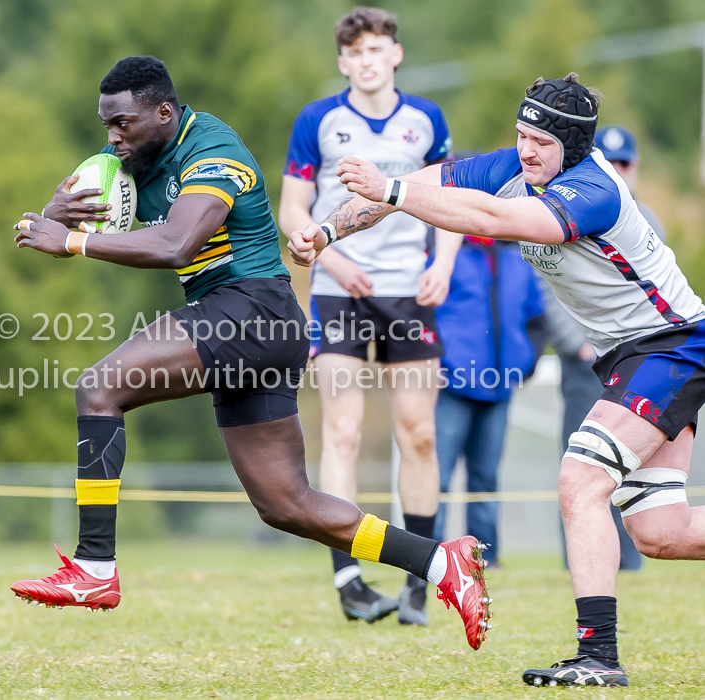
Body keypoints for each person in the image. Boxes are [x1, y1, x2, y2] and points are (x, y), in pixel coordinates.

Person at [8, 55, 491, 651]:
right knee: (287, 505)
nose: (112, 136)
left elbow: (176, 243)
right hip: (251, 325)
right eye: (106, 124)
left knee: (98, 388)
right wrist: (51, 217)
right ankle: (442, 564)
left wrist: (75, 241)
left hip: (251, 310)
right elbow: (74, 212)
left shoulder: (215, 149)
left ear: (164, 112)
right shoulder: (127, 158)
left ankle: (95, 569)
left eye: (123, 123)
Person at [287, 72, 705, 687]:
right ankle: (598, 656)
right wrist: (326, 233)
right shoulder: (515, 165)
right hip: (630, 354)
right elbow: (414, 189)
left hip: (672, 345)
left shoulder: (593, 189)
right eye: (520, 134)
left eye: (540, 140)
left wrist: (394, 188)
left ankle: (598, 657)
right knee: (661, 533)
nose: (526, 149)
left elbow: (489, 216)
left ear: (574, 145)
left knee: (580, 479)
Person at [278, 6, 461, 626]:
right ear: (342, 62)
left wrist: (444, 263)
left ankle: (421, 576)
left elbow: (452, 194)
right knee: (344, 432)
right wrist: (316, 245)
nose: (366, 61)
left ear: (396, 55)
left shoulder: (426, 120)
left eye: (377, 50)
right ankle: (349, 577)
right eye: (355, 53)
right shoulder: (318, 121)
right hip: (339, 291)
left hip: (411, 292)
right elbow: (293, 207)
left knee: (420, 433)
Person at [547, 125, 667, 572]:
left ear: (634, 168)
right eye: (609, 163)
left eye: (624, 164)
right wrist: (577, 342)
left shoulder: (647, 217)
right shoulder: (565, 210)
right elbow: (548, 284)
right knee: (578, 466)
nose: (617, 171)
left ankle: (630, 563)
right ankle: (580, 563)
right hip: (586, 363)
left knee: (633, 469)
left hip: (642, 360)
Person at [434, 236, 546, 566]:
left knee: (486, 479)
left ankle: (485, 558)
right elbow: (424, 312)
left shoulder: (518, 260)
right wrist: (438, 364)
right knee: (437, 478)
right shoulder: (444, 256)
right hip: (451, 387)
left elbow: (537, 320)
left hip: (499, 389)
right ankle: (430, 559)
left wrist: (526, 364)